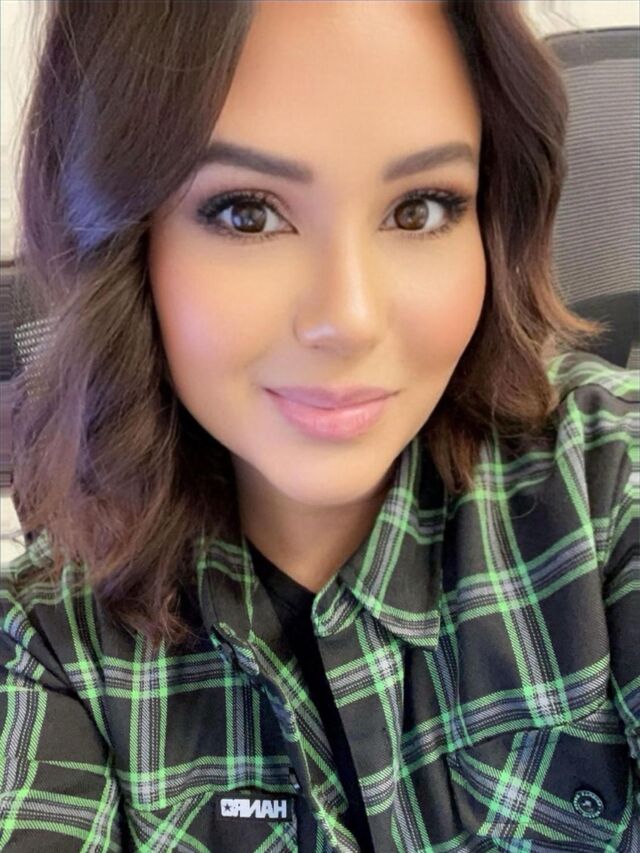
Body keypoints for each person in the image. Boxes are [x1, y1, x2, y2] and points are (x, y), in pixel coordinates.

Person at [1, 1, 638, 851]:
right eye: (248, 213)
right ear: (127, 244)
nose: (350, 319)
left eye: (420, 209)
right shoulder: (49, 649)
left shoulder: (606, 488)